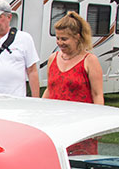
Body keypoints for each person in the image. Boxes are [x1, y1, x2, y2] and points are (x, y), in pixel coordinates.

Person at [43, 11, 103, 155]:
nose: (60, 43)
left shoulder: (89, 60)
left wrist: (98, 124)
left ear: (77, 37)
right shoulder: (53, 58)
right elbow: (50, 90)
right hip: (54, 123)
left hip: (79, 125)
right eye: (57, 38)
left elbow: (97, 94)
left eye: (64, 39)